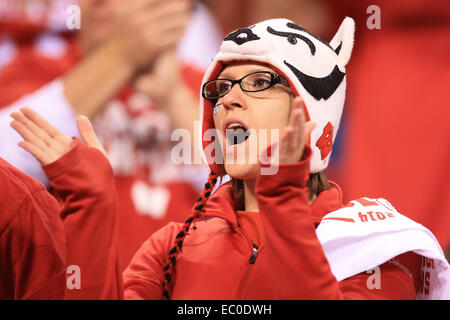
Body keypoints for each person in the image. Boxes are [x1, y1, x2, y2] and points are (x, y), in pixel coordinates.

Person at [10, 18, 450, 299]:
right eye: (221, 89)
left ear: (312, 115)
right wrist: (92, 204)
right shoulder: (171, 247)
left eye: (259, 82)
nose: (230, 98)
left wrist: (281, 196)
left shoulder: (378, 248)